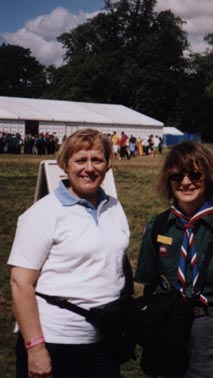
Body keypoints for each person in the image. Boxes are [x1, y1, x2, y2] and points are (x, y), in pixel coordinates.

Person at [8, 129, 131, 378]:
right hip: (57, 343)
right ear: (65, 165)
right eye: (80, 160)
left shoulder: (114, 207)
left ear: (107, 165)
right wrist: (36, 348)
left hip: (105, 341)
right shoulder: (42, 214)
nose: (89, 168)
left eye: (97, 160)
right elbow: (20, 284)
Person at [135, 141, 213, 378]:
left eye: (194, 174)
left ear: (208, 176)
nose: (185, 182)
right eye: (177, 176)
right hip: (169, 329)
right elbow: (149, 286)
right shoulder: (157, 226)